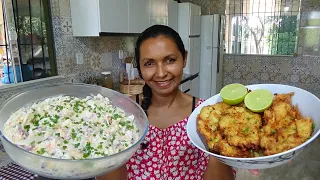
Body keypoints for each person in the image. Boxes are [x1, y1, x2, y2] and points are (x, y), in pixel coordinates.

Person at [97, 25, 235, 180]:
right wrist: (110, 139)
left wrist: (219, 142)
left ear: (184, 59)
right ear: (140, 68)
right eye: (149, 63)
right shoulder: (121, 114)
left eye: (170, 60)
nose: (161, 73)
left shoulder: (204, 116)